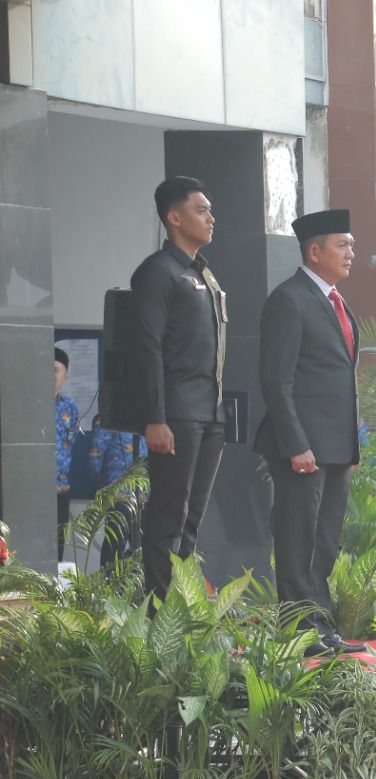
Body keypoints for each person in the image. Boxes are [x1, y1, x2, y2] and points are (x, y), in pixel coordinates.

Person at [255, 209, 365, 655]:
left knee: (325, 539)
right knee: (298, 537)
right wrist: (296, 443)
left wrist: (350, 444)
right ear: (314, 250)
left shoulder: (336, 300)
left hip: (336, 446)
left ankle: (321, 626)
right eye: (344, 244)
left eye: (352, 245)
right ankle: (299, 631)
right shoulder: (290, 299)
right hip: (302, 447)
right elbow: (275, 381)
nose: (351, 253)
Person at [130, 175, 227, 601]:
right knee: (169, 515)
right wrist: (156, 417)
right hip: (176, 414)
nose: (211, 217)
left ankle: (180, 606)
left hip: (210, 413)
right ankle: (159, 613)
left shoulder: (203, 273)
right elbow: (146, 348)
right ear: (174, 217)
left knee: (192, 519)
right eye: (200, 210)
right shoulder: (158, 272)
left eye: (209, 209)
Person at [84, 414, 147, 569]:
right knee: (115, 543)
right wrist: (106, 488)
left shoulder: (146, 417)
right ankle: (109, 584)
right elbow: (95, 455)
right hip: (117, 493)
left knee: (142, 545)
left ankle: (139, 587)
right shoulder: (108, 417)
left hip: (142, 495)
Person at [53, 348, 81, 562]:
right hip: (32, 489)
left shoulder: (70, 407)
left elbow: (71, 441)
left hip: (60, 487)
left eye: (55, 370)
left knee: (58, 543)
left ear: (65, 377)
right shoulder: (29, 404)